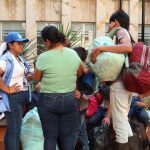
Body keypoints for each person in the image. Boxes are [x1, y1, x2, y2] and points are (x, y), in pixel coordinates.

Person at [32, 25, 83, 150]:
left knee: (50, 137)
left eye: (43, 42)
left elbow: (36, 79)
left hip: (48, 100)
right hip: (70, 99)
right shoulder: (73, 53)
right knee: (68, 137)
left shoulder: (44, 57)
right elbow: (80, 72)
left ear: (48, 41)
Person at [91, 10, 133, 150]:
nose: (110, 26)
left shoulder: (121, 31)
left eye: (111, 22)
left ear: (116, 22)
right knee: (124, 122)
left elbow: (127, 47)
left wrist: (101, 48)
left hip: (120, 86)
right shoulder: (124, 34)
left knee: (119, 124)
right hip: (126, 85)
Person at [0, 32, 31, 150]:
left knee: (13, 129)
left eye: (22, 44)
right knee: (15, 130)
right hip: (13, 98)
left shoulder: (19, 58)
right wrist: (7, 89)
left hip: (20, 98)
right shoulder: (6, 59)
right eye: (19, 43)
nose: (21, 46)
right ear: (10, 45)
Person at [74, 46, 95, 150]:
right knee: (81, 129)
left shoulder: (87, 73)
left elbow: (91, 91)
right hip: (76, 105)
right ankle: (86, 147)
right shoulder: (74, 68)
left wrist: (81, 94)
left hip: (81, 106)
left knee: (75, 130)